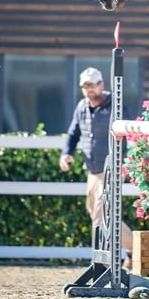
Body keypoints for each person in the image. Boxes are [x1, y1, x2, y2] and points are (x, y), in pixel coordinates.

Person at [59, 67, 133, 269]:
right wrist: (66, 154)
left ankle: (103, 263)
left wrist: (125, 165)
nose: (88, 89)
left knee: (101, 215)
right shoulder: (81, 106)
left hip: (112, 169)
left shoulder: (116, 106)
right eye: (85, 86)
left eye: (92, 85)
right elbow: (73, 133)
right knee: (96, 212)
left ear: (102, 84)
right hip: (92, 170)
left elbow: (129, 134)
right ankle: (135, 248)